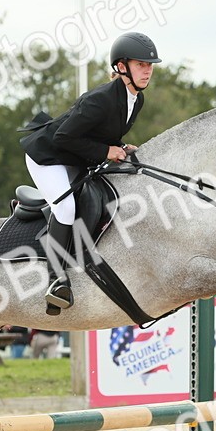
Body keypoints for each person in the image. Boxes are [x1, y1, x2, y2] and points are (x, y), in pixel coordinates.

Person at [18, 32, 161, 312]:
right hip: (47, 156)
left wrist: (118, 145)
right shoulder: (100, 99)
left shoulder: (135, 99)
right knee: (66, 208)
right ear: (122, 67)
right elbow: (63, 137)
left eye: (150, 65)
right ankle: (56, 280)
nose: (147, 70)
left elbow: (96, 133)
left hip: (73, 155)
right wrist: (107, 151)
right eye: (141, 64)